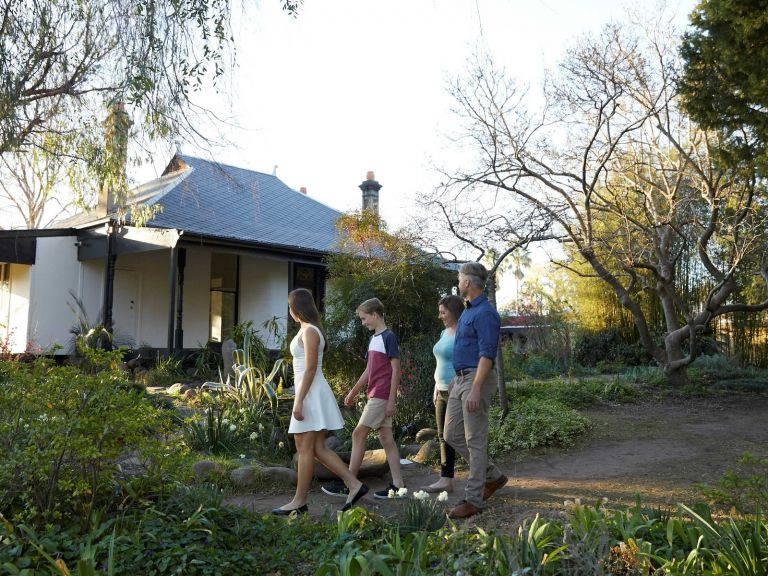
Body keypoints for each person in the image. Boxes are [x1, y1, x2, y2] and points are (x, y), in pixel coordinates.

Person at [272, 288, 369, 515]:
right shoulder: (307, 330)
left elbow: (311, 368)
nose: (289, 311)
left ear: (297, 308)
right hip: (309, 393)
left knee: (305, 448)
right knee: (315, 448)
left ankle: (299, 501)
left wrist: (299, 401)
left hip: (311, 394)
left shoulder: (310, 332)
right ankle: (354, 485)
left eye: (290, 306)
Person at [321, 297, 406, 500]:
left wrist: (392, 399)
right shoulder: (374, 338)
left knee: (358, 434)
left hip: (381, 395)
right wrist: (353, 391)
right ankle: (399, 486)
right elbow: (369, 370)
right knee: (386, 439)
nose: (363, 322)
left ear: (375, 315)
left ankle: (350, 484)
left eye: (364, 318)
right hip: (375, 393)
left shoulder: (389, 337)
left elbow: (396, 370)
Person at [444, 262, 508, 519]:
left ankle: (474, 500)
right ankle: (492, 476)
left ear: (467, 283)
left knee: (475, 440)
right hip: (460, 380)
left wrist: (475, 388)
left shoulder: (486, 313)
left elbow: (486, 355)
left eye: (460, 279)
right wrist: (456, 379)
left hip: (475, 380)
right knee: (451, 434)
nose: (459, 283)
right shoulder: (468, 312)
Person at [423, 294, 464, 494]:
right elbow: (441, 361)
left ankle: (484, 474)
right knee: (442, 437)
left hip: (457, 391)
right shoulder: (444, 332)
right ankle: (445, 480)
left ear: (454, 312)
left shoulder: (463, 333)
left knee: (457, 436)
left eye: (443, 312)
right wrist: (435, 386)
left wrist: (458, 379)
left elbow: (466, 359)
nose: (440, 316)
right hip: (440, 390)